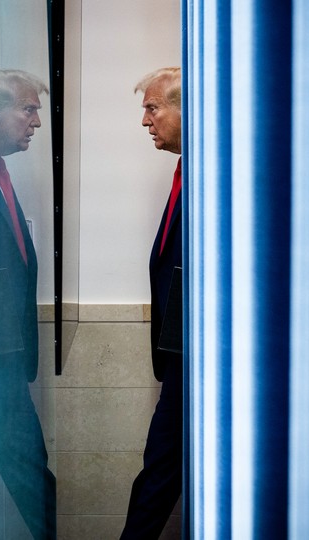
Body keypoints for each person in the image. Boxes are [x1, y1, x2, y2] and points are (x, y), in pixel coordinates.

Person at [0, 68, 56, 540]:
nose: (36, 122)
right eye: (28, 109)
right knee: (31, 473)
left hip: (4, 356)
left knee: (31, 470)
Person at [121, 66, 185, 540]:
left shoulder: (216, 173)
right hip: (182, 357)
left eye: (153, 107)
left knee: (161, 470)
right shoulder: (188, 170)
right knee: (161, 468)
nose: (146, 121)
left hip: (199, 358)